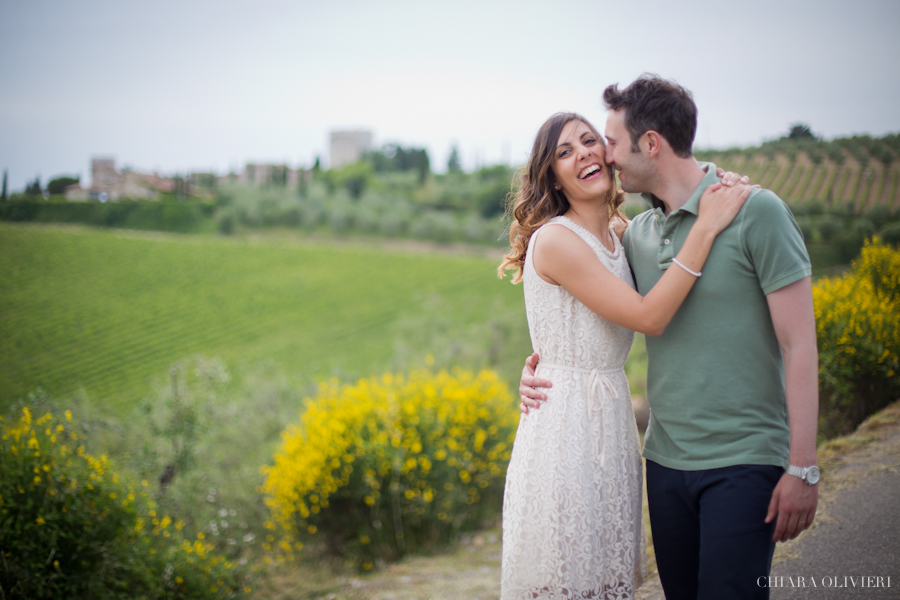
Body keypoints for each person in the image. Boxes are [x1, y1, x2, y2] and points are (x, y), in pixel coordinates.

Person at [518, 75, 819, 600]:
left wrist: (803, 465)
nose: (602, 155)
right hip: (657, 462)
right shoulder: (639, 235)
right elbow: (619, 315)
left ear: (650, 144)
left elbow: (800, 345)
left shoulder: (747, 213)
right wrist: (546, 369)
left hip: (742, 458)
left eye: (602, 141)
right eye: (576, 148)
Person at [497, 111, 752, 600]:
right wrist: (706, 230)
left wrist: (721, 185)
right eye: (564, 153)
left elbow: (679, 221)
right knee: (567, 575)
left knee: (606, 573)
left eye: (590, 141)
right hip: (565, 425)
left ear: (610, 153)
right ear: (552, 176)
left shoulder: (621, 230)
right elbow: (648, 317)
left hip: (609, 419)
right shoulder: (555, 240)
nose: (583, 154)